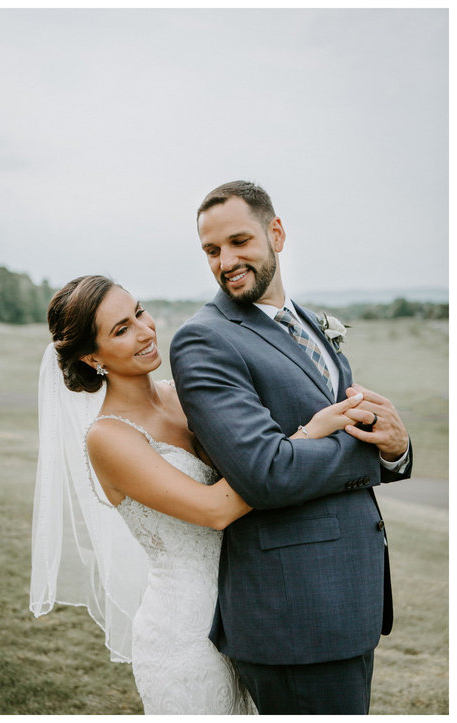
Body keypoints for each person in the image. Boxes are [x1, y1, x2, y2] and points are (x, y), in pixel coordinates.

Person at [30, 274, 368, 714]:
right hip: (185, 634)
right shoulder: (108, 437)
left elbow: (252, 450)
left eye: (139, 312)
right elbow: (215, 510)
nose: (145, 330)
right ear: (92, 357)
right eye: (121, 329)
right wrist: (306, 436)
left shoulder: (182, 395)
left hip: (253, 612)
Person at [169, 180, 413, 714]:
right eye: (212, 250)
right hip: (294, 614)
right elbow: (265, 472)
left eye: (239, 242)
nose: (225, 261)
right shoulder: (205, 339)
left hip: (345, 598)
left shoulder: (306, 323)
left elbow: (347, 420)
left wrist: (396, 446)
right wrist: (374, 456)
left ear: (275, 233)